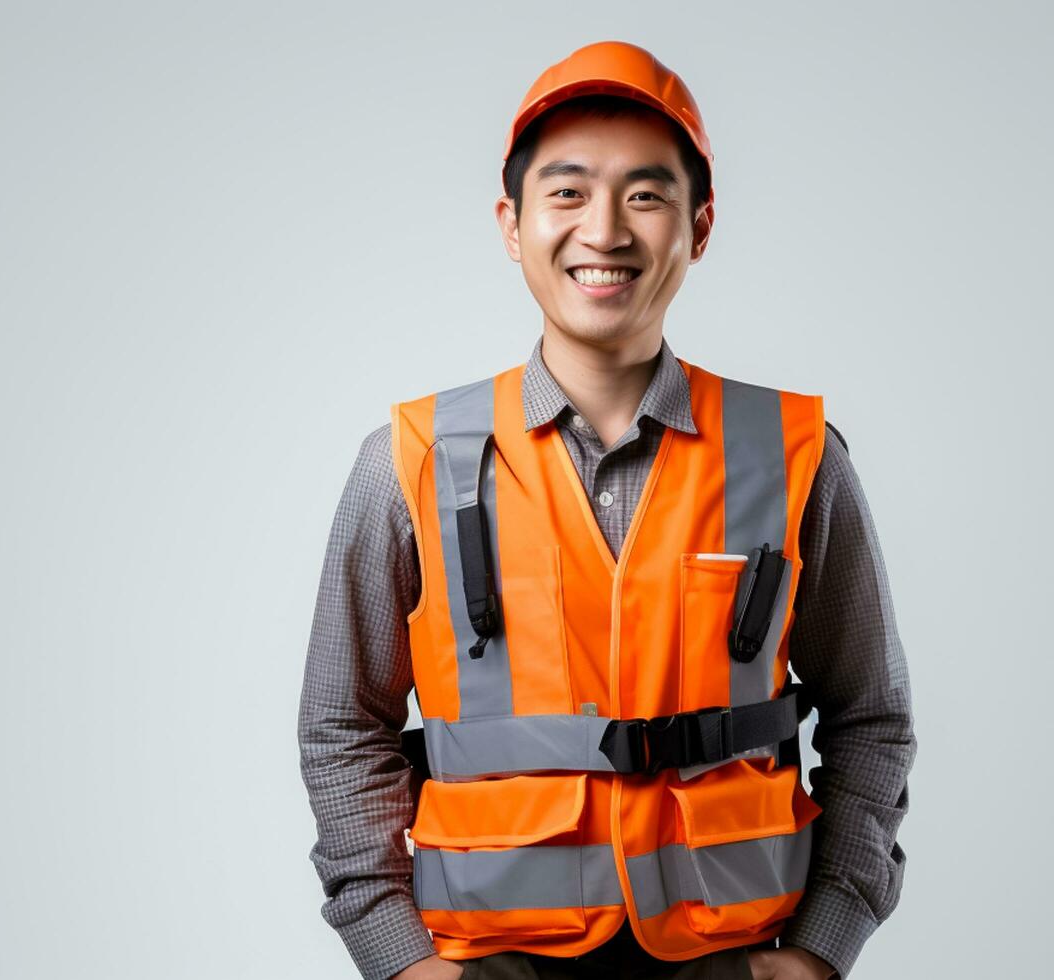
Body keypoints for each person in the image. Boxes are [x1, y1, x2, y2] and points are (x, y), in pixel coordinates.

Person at [299, 40, 915, 980]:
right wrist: (397, 956)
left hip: (730, 956)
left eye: (644, 194)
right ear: (511, 223)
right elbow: (341, 724)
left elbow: (871, 716)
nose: (604, 230)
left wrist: (821, 950)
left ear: (697, 226)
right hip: (487, 962)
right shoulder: (407, 464)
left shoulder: (794, 457)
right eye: (568, 191)